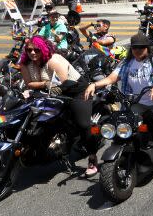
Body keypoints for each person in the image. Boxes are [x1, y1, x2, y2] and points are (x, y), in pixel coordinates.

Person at [84, 33, 153, 181]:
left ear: (147, 48)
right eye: (135, 48)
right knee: (121, 124)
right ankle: (127, 153)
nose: (138, 50)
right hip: (136, 102)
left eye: (141, 47)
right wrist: (94, 84)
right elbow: (112, 78)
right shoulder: (127, 63)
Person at [19, 36, 99, 175]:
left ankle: (92, 158)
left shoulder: (53, 60)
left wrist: (47, 88)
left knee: (83, 124)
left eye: (36, 50)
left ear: (43, 49)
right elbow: (28, 83)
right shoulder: (25, 63)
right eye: (29, 50)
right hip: (48, 92)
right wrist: (45, 84)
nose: (32, 53)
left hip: (75, 91)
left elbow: (63, 85)